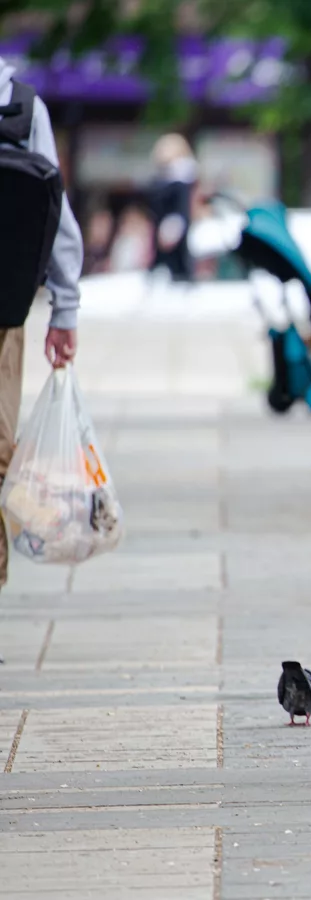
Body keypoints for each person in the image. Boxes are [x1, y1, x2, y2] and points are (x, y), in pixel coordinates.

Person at [0, 57, 84, 597]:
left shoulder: (22, 106)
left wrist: (66, 306)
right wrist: (64, 307)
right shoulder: (22, 107)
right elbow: (55, 212)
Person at [145, 133, 198, 283]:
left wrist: (172, 228)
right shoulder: (167, 181)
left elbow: (180, 213)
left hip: (174, 249)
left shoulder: (179, 183)